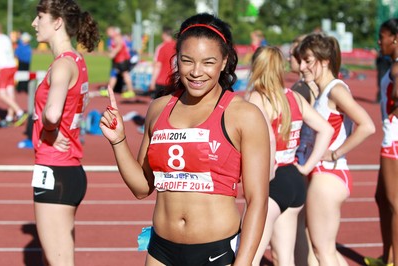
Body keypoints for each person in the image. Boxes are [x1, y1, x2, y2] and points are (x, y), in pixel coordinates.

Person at [100, 13, 270, 265]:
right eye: (187, 61)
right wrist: (118, 141)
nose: (196, 72)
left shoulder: (244, 115)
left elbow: (257, 200)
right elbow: (141, 188)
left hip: (216, 252)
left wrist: (243, 262)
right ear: (176, 59)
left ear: (224, 61)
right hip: (161, 251)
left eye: (208, 62)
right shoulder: (158, 109)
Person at [246, 46, 333, 266]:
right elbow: (326, 129)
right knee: (284, 259)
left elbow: (270, 140)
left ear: (257, 67)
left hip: (272, 181)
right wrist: (306, 167)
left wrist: (266, 176)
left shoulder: (257, 98)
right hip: (294, 179)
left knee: (250, 257)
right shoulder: (294, 97)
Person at [30, 0, 99, 265]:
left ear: (57, 21)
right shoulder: (77, 62)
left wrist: (50, 128)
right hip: (67, 171)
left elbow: (52, 113)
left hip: (54, 169)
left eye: (40, 16)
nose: (35, 23)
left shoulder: (61, 65)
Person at [298, 33, 375, 265]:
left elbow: (367, 126)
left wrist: (334, 153)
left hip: (329, 174)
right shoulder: (323, 91)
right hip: (323, 173)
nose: (302, 66)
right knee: (325, 249)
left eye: (307, 60)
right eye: (301, 60)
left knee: (323, 251)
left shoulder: (335, 90)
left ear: (324, 61)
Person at [365, 18, 398, 266]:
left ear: (395, 39)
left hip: (394, 141)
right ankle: (387, 256)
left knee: (395, 204)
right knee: (381, 197)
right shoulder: (393, 65)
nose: (379, 42)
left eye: (382, 36)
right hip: (390, 138)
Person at [0, 23, 28, 127]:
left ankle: (19, 112)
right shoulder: (6, 38)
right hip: (12, 66)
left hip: (4, 68)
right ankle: (10, 117)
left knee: (1, 94)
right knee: (10, 91)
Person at [106, 26, 136, 99]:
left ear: (112, 31)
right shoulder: (111, 39)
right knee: (113, 74)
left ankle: (131, 91)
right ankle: (109, 91)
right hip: (117, 60)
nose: (107, 34)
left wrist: (113, 53)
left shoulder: (117, 36)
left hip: (122, 59)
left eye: (108, 32)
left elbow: (120, 45)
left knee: (125, 74)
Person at [148, 26, 176, 99]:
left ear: (164, 34)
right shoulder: (178, 46)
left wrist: (152, 82)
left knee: (157, 106)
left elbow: (158, 65)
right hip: (173, 81)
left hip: (162, 81)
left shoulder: (161, 47)